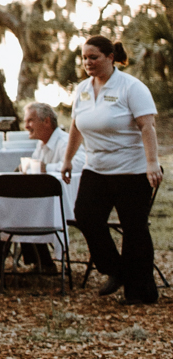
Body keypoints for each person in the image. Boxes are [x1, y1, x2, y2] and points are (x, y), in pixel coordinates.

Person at [62, 36, 162, 304]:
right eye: (84, 58)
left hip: (132, 169)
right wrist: (68, 158)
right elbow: (75, 126)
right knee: (86, 217)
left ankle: (141, 293)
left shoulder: (131, 87)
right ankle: (116, 270)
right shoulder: (82, 89)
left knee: (134, 229)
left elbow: (147, 126)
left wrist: (152, 163)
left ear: (110, 57)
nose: (87, 63)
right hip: (97, 168)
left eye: (93, 57)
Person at [0, 104, 67, 274]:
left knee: (14, 206)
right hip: (42, 202)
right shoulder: (41, 145)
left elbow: (78, 166)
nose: (26, 126)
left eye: (30, 121)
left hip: (64, 203)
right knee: (10, 202)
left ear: (46, 121)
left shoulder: (64, 142)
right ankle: (41, 262)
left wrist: (45, 168)